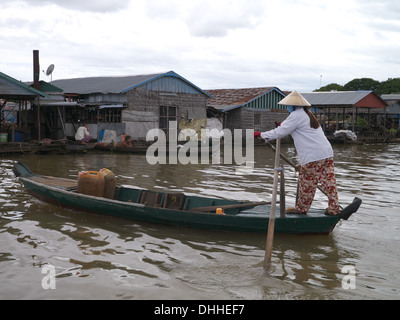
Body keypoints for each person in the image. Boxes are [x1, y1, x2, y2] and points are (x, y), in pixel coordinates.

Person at [254, 91, 339, 216]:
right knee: (329, 182)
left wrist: (261, 135)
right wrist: (283, 126)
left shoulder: (295, 115)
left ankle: (301, 208)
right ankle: (334, 208)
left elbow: (280, 132)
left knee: (307, 183)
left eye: (288, 106)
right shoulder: (308, 114)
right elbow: (293, 128)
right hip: (326, 153)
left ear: (293, 106)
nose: (287, 108)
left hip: (312, 156)